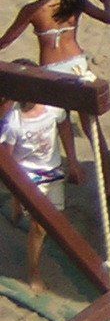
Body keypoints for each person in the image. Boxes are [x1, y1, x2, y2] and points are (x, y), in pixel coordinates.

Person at [0, 0, 110, 199]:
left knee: (60, 124)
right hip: (78, 66)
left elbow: (6, 41)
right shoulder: (74, 1)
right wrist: (108, 1)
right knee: (92, 128)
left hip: (52, 73)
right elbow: (108, 18)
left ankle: (72, 165)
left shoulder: (33, 10)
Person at [1, 92, 79, 291]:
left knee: (56, 218)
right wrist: (17, 187)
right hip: (28, 176)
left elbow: (64, 127)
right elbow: (8, 161)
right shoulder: (13, 122)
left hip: (52, 171)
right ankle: (34, 272)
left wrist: (73, 161)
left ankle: (17, 203)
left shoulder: (53, 109)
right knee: (39, 227)